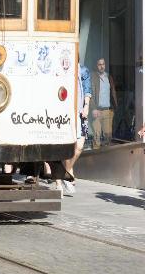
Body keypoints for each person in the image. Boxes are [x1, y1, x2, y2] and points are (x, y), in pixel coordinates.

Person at [56, 63, 92, 196]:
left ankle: (66, 172)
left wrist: (86, 106)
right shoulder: (59, 68)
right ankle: (59, 183)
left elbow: (87, 89)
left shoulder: (83, 69)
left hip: (80, 112)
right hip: (64, 112)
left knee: (79, 146)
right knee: (62, 148)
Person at [91, 58, 117, 148]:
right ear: (96, 66)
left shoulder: (108, 77)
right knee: (96, 136)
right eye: (99, 64)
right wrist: (93, 108)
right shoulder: (93, 77)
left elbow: (113, 92)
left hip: (107, 111)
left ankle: (107, 155)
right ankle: (95, 155)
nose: (102, 66)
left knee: (108, 136)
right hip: (97, 111)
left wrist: (114, 107)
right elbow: (90, 94)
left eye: (103, 64)